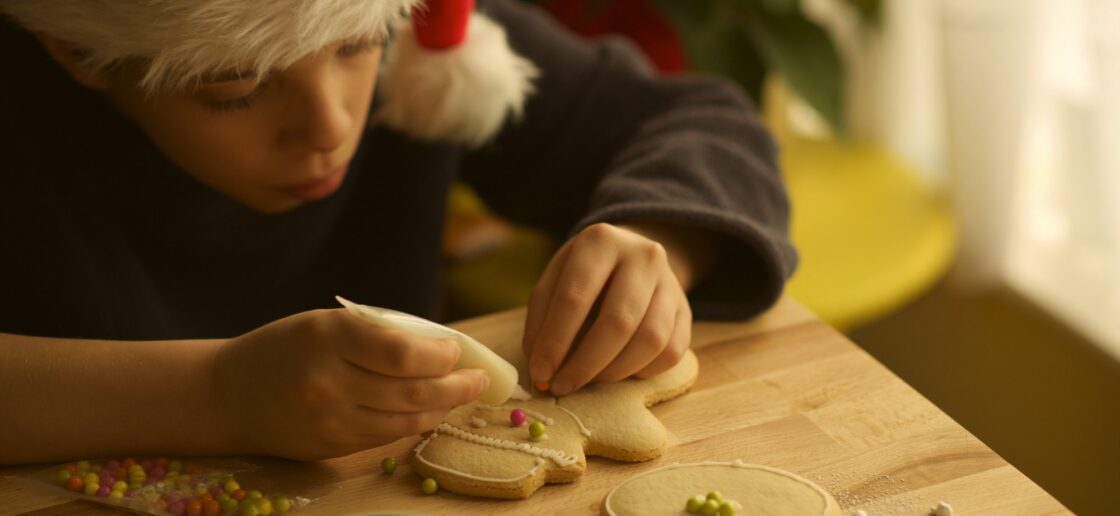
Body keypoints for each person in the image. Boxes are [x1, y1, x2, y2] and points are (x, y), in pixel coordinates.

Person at [0, 0, 796, 464]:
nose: (331, 123)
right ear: (78, 53)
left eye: (357, 49)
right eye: (234, 92)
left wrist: (658, 232)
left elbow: (699, 120)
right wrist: (217, 396)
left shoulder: (422, 40)